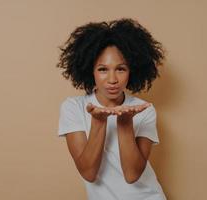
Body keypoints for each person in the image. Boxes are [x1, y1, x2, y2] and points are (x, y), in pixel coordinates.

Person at [56, 18, 167, 200]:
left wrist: (125, 123)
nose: (112, 79)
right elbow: (88, 172)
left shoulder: (144, 110)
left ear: (132, 70)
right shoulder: (73, 108)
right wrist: (99, 121)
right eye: (103, 69)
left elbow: (132, 175)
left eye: (121, 69)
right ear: (90, 70)